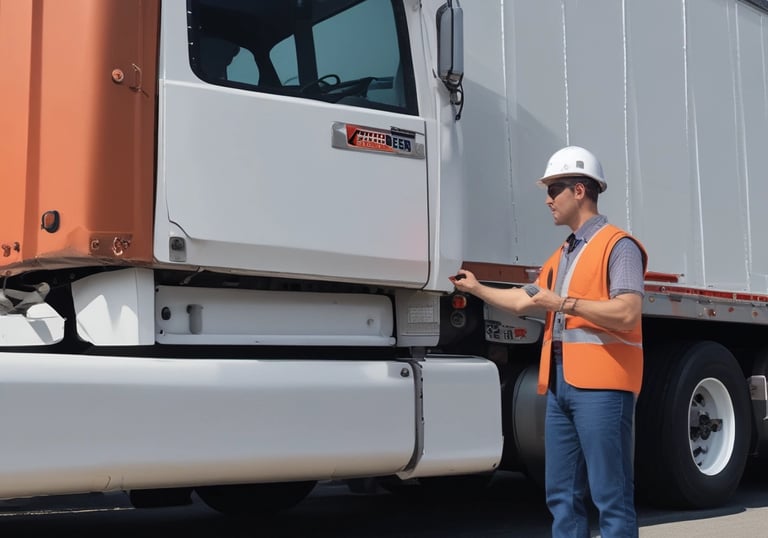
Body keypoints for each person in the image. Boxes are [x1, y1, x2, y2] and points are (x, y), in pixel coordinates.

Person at [450, 146, 647, 538]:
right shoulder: (561, 255)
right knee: (561, 495)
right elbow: (524, 301)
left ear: (579, 190)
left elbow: (627, 313)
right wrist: (476, 289)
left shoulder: (618, 246)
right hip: (560, 387)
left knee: (611, 494)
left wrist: (563, 303)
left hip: (603, 388)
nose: (547, 199)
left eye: (553, 189)